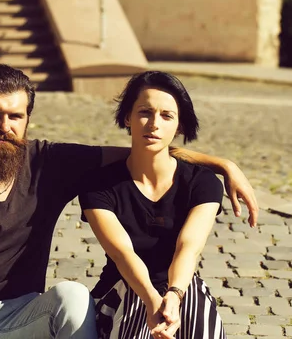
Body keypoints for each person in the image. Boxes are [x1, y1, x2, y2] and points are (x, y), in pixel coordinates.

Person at [0, 64, 258, 339]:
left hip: (23, 315)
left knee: (74, 297)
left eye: (15, 116)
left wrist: (222, 164)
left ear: (27, 119)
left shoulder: (50, 162)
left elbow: (144, 148)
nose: (5, 126)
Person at [81, 71, 229, 339]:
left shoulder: (203, 184)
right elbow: (122, 254)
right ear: (128, 117)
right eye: (145, 112)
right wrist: (152, 299)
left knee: (190, 294)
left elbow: (189, 247)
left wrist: (173, 295)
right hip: (121, 289)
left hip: (181, 287)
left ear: (179, 125)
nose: (154, 124)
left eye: (166, 115)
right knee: (139, 300)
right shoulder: (98, 185)